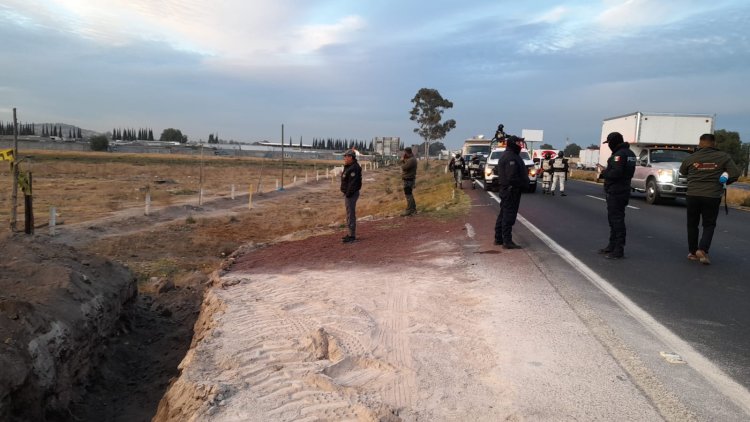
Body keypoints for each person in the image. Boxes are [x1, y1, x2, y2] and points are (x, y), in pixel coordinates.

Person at [679, 133, 741, 264]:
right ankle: (702, 249)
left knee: (692, 224)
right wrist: (724, 182)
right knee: (709, 224)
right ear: (714, 143)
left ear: (700, 143)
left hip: (692, 195)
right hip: (712, 195)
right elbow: (735, 173)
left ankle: (692, 252)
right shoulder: (723, 157)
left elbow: (682, 171)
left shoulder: (692, 157)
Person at [596, 132, 636, 259]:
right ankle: (612, 245)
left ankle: (618, 249)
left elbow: (616, 173)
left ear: (613, 142)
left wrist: (604, 172)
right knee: (614, 219)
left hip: (616, 190)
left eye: (609, 143)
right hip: (623, 189)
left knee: (616, 220)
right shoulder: (630, 154)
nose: (609, 146)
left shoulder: (619, 155)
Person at [494, 136, 530, 249]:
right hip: (511, 191)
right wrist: (523, 183)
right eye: (519, 142)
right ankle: (507, 241)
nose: (521, 144)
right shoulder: (511, 158)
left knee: (503, 214)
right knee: (508, 216)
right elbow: (512, 177)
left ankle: (499, 238)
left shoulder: (511, 155)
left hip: (508, 190)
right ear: (513, 143)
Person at [340, 150, 362, 243]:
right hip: (349, 193)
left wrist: (348, 193)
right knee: (349, 214)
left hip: (351, 194)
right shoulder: (349, 166)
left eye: (346, 156)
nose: (344, 158)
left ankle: (352, 235)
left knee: (350, 214)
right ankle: (350, 234)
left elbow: (352, 184)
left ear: (351, 157)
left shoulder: (354, 168)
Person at [400, 147, 418, 216]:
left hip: (408, 179)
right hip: (409, 179)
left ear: (407, 152)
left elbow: (404, 167)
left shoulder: (411, 160)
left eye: (405, 153)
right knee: (410, 194)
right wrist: (404, 160)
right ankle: (413, 209)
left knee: (408, 195)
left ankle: (409, 210)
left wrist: (402, 160)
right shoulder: (411, 159)